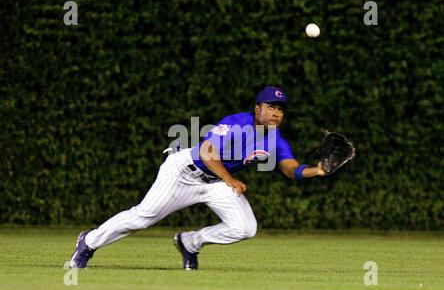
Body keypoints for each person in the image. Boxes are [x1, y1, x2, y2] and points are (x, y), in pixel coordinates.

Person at [69, 85, 326, 270]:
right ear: (257, 108)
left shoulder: (276, 140)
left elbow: (290, 169)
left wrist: (317, 170)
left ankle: (190, 242)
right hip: (185, 171)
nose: (276, 113)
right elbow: (206, 151)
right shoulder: (236, 123)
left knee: (245, 228)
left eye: (280, 109)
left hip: (216, 182)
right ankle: (88, 242)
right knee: (142, 217)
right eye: (271, 107)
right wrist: (230, 180)